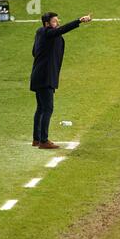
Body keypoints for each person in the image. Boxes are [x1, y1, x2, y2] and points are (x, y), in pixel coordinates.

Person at [30, 12, 91, 149]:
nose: (58, 23)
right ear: (47, 24)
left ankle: (36, 139)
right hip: (45, 77)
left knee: (41, 108)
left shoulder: (40, 33)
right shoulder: (47, 32)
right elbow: (62, 30)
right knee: (48, 108)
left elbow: (34, 52)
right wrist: (79, 20)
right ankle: (44, 141)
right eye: (54, 21)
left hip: (38, 75)